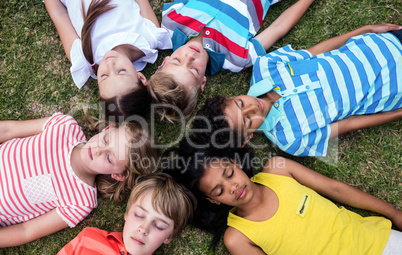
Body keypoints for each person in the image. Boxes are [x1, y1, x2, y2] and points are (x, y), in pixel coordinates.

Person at [164, 142, 402, 255]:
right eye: (219, 190)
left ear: (235, 162)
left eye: (229, 174)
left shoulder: (278, 169)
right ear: (213, 200)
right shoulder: (237, 237)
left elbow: (335, 189)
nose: (233, 187)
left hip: (382, 243)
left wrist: (394, 213)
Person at [193, 24, 402, 156]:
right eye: (248, 120)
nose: (252, 108)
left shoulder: (266, 66)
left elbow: (316, 52)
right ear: (247, 139)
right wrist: (398, 114)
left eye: (240, 104)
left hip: (381, 43)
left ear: (232, 96)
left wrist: (365, 30)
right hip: (394, 87)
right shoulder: (291, 139)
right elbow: (348, 124)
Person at [0, 113, 159, 247]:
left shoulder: (80, 202)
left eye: (109, 158)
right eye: (105, 140)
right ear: (107, 129)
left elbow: (26, 230)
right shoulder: (64, 126)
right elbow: (8, 130)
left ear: (118, 175)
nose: (98, 150)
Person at [147, 0, 315, 121]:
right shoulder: (236, 59)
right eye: (194, 70)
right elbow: (278, 28)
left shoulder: (170, 22)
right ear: (203, 83)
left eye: (177, 61)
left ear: (164, 61)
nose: (190, 57)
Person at [44, 0, 171, 119]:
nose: (110, 64)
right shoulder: (150, 37)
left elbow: (58, 14)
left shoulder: (83, 59)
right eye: (121, 71)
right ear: (141, 78)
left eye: (104, 75)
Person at [51, 173, 196, 255]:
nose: (143, 229)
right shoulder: (89, 238)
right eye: (139, 215)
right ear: (127, 213)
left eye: (158, 225)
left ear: (170, 236)